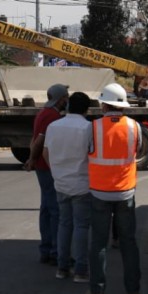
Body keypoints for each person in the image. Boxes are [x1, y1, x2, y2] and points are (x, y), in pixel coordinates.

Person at [86, 83, 143, 294]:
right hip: (125, 193)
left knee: (99, 243)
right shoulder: (135, 127)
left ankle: (97, 291)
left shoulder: (92, 127)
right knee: (128, 242)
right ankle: (133, 291)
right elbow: (136, 151)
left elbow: (87, 152)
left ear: (104, 105)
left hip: (99, 192)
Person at [43, 91, 93, 282]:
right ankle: (80, 270)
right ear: (87, 109)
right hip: (82, 183)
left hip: (61, 183)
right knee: (81, 226)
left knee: (64, 224)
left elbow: (46, 153)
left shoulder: (53, 126)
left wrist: (57, 172)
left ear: (68, 106)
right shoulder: (88, 128)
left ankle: (62, 268)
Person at [24, 83, 68, 264]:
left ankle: (46, 248)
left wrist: (31, 158)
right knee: (54, 209)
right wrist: (33, 159)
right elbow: (40, 140)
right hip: (48, 167)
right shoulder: (52, 116)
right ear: (60, 100)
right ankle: (54, 250)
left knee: (46, 207)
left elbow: (34, 139)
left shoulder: (43, 113)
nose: (68, 99)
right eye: (66, 96)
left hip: (42, 166)